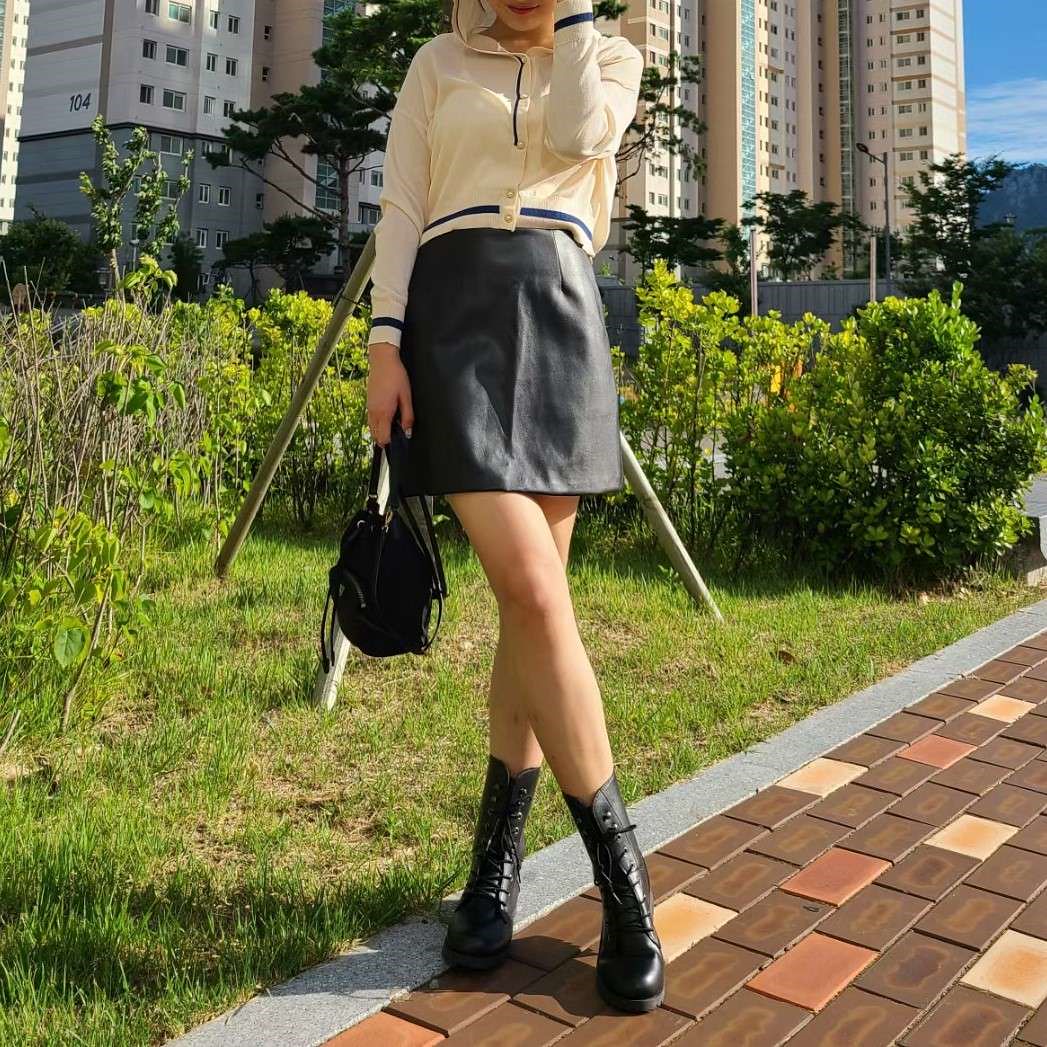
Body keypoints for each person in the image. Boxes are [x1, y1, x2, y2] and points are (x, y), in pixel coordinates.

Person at [364, 0, 664, 1014]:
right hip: (454, 319)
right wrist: (384, 344)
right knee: (536, 595)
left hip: (561, 310)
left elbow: (581, 136)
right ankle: (625, 882)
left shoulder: (611, 57)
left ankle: (493, 868)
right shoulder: (436, 62)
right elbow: (403, 207)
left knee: (529, 620)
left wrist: (572, 22)